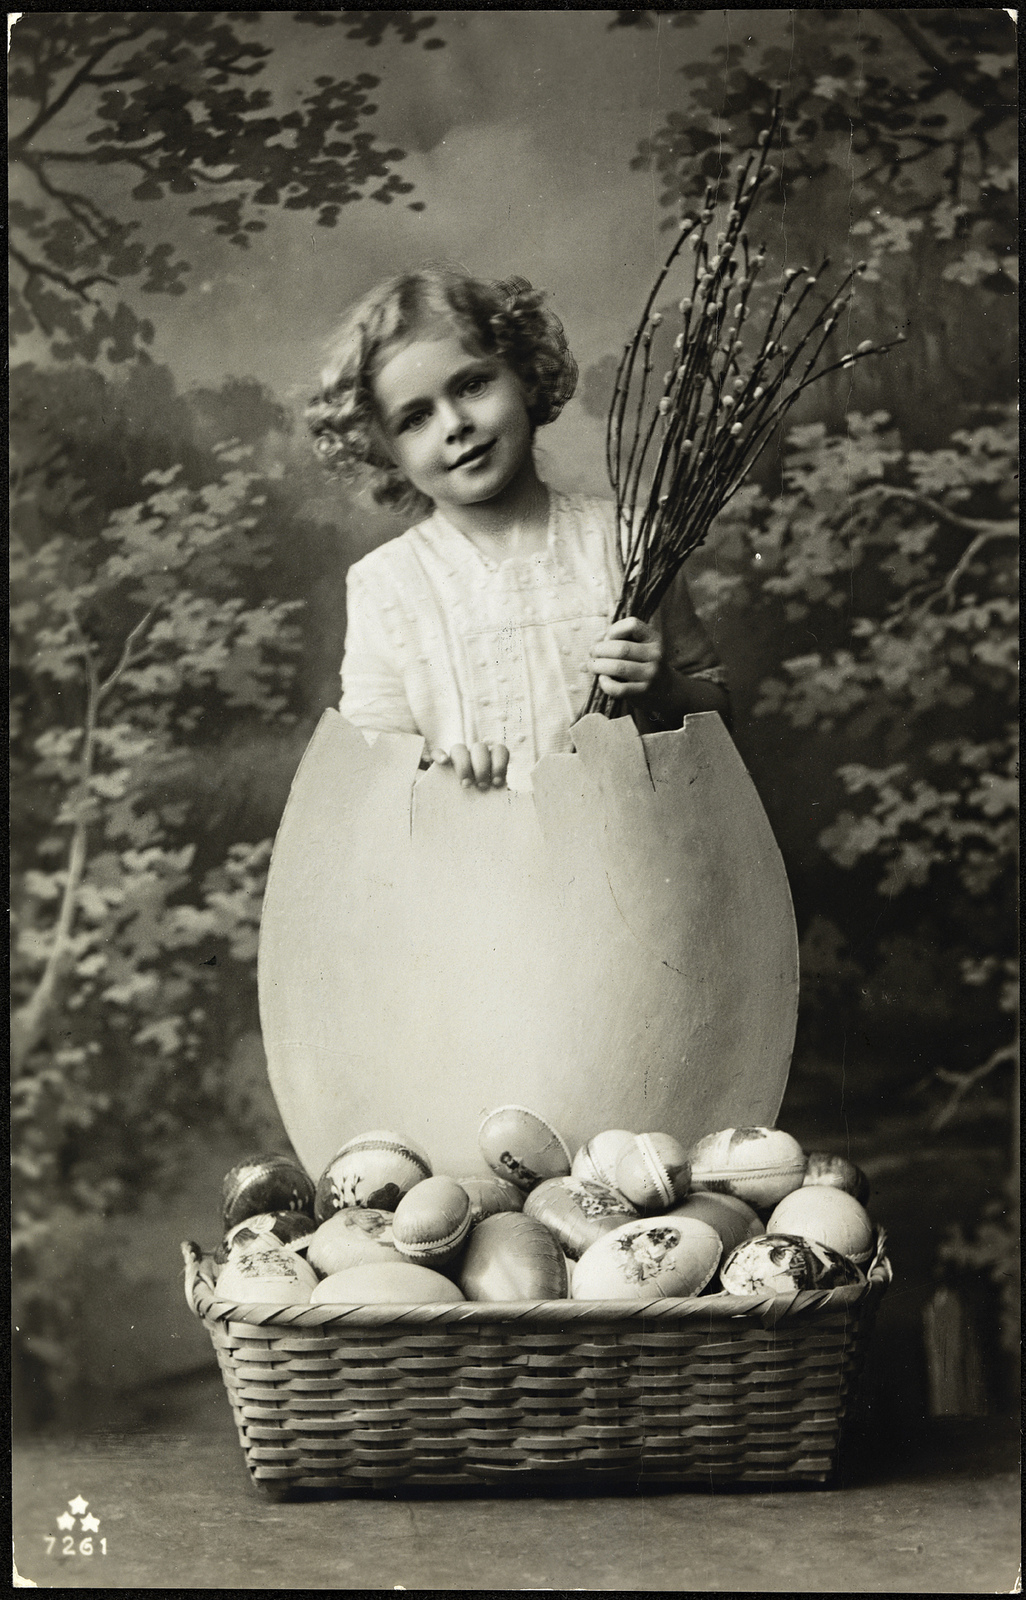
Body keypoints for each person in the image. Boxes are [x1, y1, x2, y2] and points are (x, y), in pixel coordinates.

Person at [306, 267, 729, 792]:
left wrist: (662, 688)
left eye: (473, 385)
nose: (454, 423)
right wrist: (441, 778)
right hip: (477, 860)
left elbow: (716, 708)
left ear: (526, 376)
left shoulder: (626, 540)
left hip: (625, 846)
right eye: (415, 419)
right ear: (384, 452)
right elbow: (371, 765)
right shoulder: (386, 584)